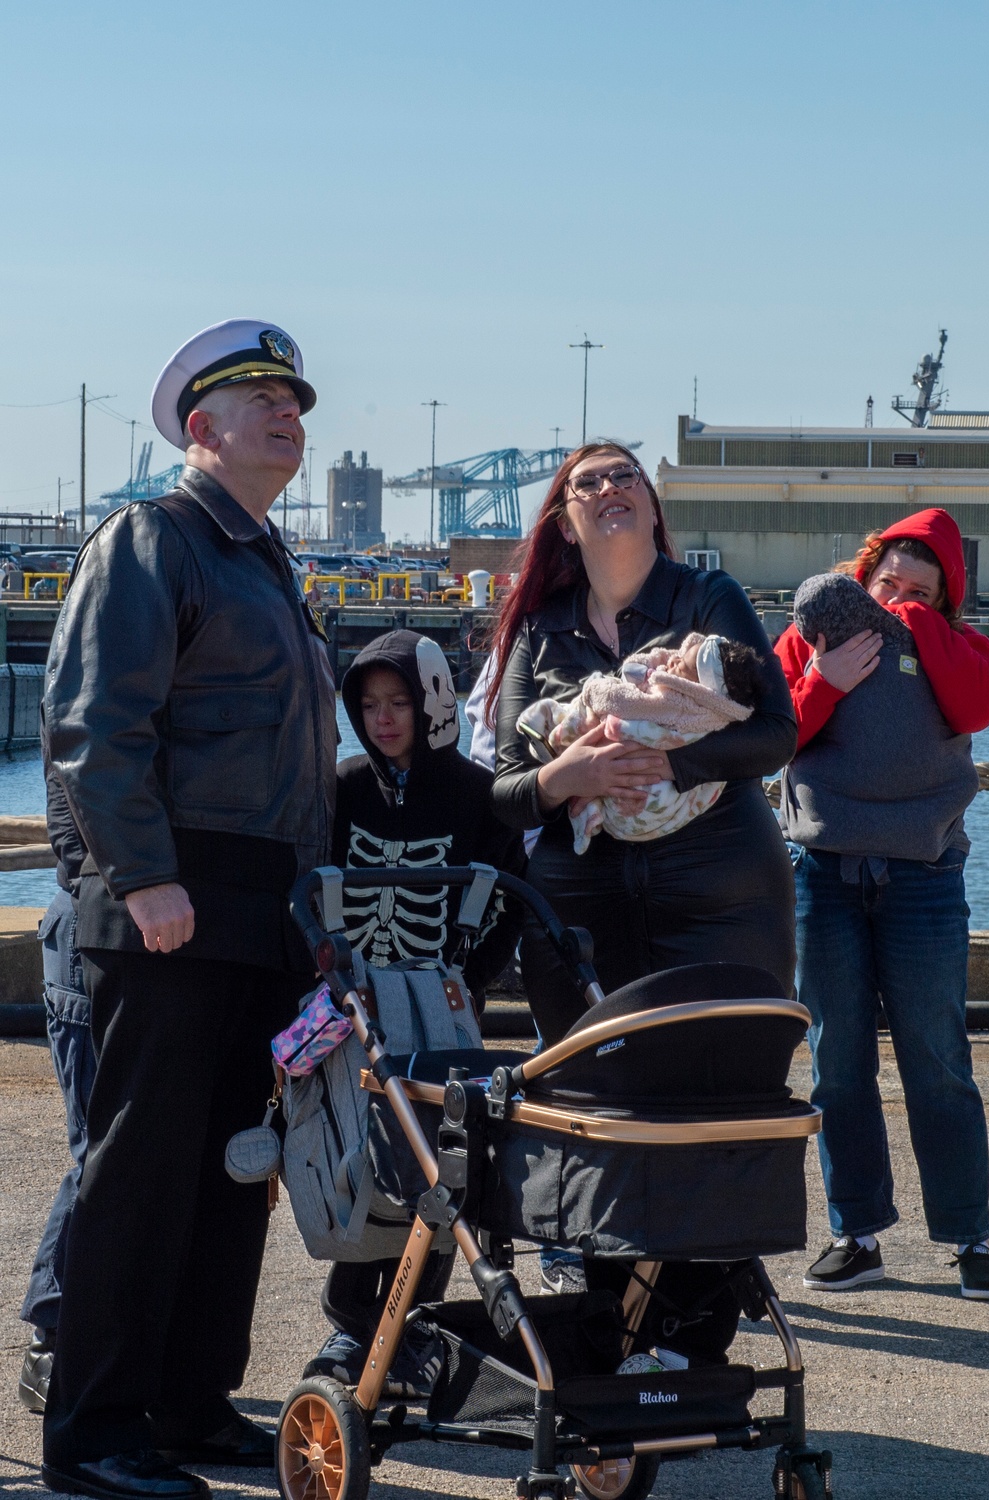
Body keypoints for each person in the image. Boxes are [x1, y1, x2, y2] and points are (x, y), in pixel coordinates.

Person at [40, 319, 339, 1500]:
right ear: (199, 427)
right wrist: (141, 873)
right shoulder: (154, 539)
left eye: (296, 402)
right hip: (170, 897)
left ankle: (187, 1402)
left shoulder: (263, 556)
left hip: (260, 906)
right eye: (264, 398)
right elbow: (95, 727)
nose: (290, 416)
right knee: (140, 1172)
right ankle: (97, 1435)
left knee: (229, 1169)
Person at [489, 441, 798, 1049]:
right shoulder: (538, 630)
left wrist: (672, 761)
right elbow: (505, 789)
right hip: (581, 918)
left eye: (624, 476)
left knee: (727, 1101)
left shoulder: (711, 597)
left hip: (723, 901)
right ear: (566, 527)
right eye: (589, 484)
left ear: (653, 510)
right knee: (596, 1105)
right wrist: (569, 776)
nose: (610, 489)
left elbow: (776, 733)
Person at [776, 507, 989, 1299]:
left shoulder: (961, 644)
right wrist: (822, 679)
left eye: (919, 591)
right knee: (837, 1062)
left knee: (938, 1060)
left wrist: (918, 628)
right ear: (859, 577)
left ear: (946, 602)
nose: (898, 599)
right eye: (887, 585)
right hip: (820, 870)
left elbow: (975, 710)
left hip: (925, 875)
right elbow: (775, 734)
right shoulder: (817, 631)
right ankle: (857, 1233)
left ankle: (970, 1238)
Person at [305, 629, 525, 1388]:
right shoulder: (344, 789)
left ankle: (408, 1322)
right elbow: (312, 890)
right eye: (368, 705)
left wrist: (474, 975)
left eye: (399, 702)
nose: (384, 719)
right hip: (357, 1010)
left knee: (441, 1164)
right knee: (355, 1161)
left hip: (441, 1009)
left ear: (432, 702)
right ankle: (351, 1322)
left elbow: (510, 896)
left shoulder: (475, 793)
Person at [517, 632, 766, 853]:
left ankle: (555, 735)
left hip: (642, 798)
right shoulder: (716, 718)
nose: (673, 660)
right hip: (657, 815)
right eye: (680, 655)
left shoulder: (678, 706)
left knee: (587, 713)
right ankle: (587, 804)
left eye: (683, 666)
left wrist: (595, 688)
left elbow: (622, 703)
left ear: (699, 689)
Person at [18, 732, 91, 1414]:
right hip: (92, 935)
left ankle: (66, 1334)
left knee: (112, 1149)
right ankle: (51, 1335)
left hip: (97, 929)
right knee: (101, 1150)